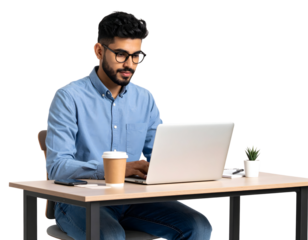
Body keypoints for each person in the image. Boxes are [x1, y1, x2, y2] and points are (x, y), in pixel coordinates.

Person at [45, 10, 214, 240]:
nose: (130, 65)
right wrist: (115, 170)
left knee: (199, 226)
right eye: (121, 55)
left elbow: (160, 154)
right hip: (78, 201)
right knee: (111, 235)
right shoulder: (67, 97)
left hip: (134, 199)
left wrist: (186, 165)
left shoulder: (145, 98)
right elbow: (56, 167)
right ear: (98, 51)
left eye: (137, 56)